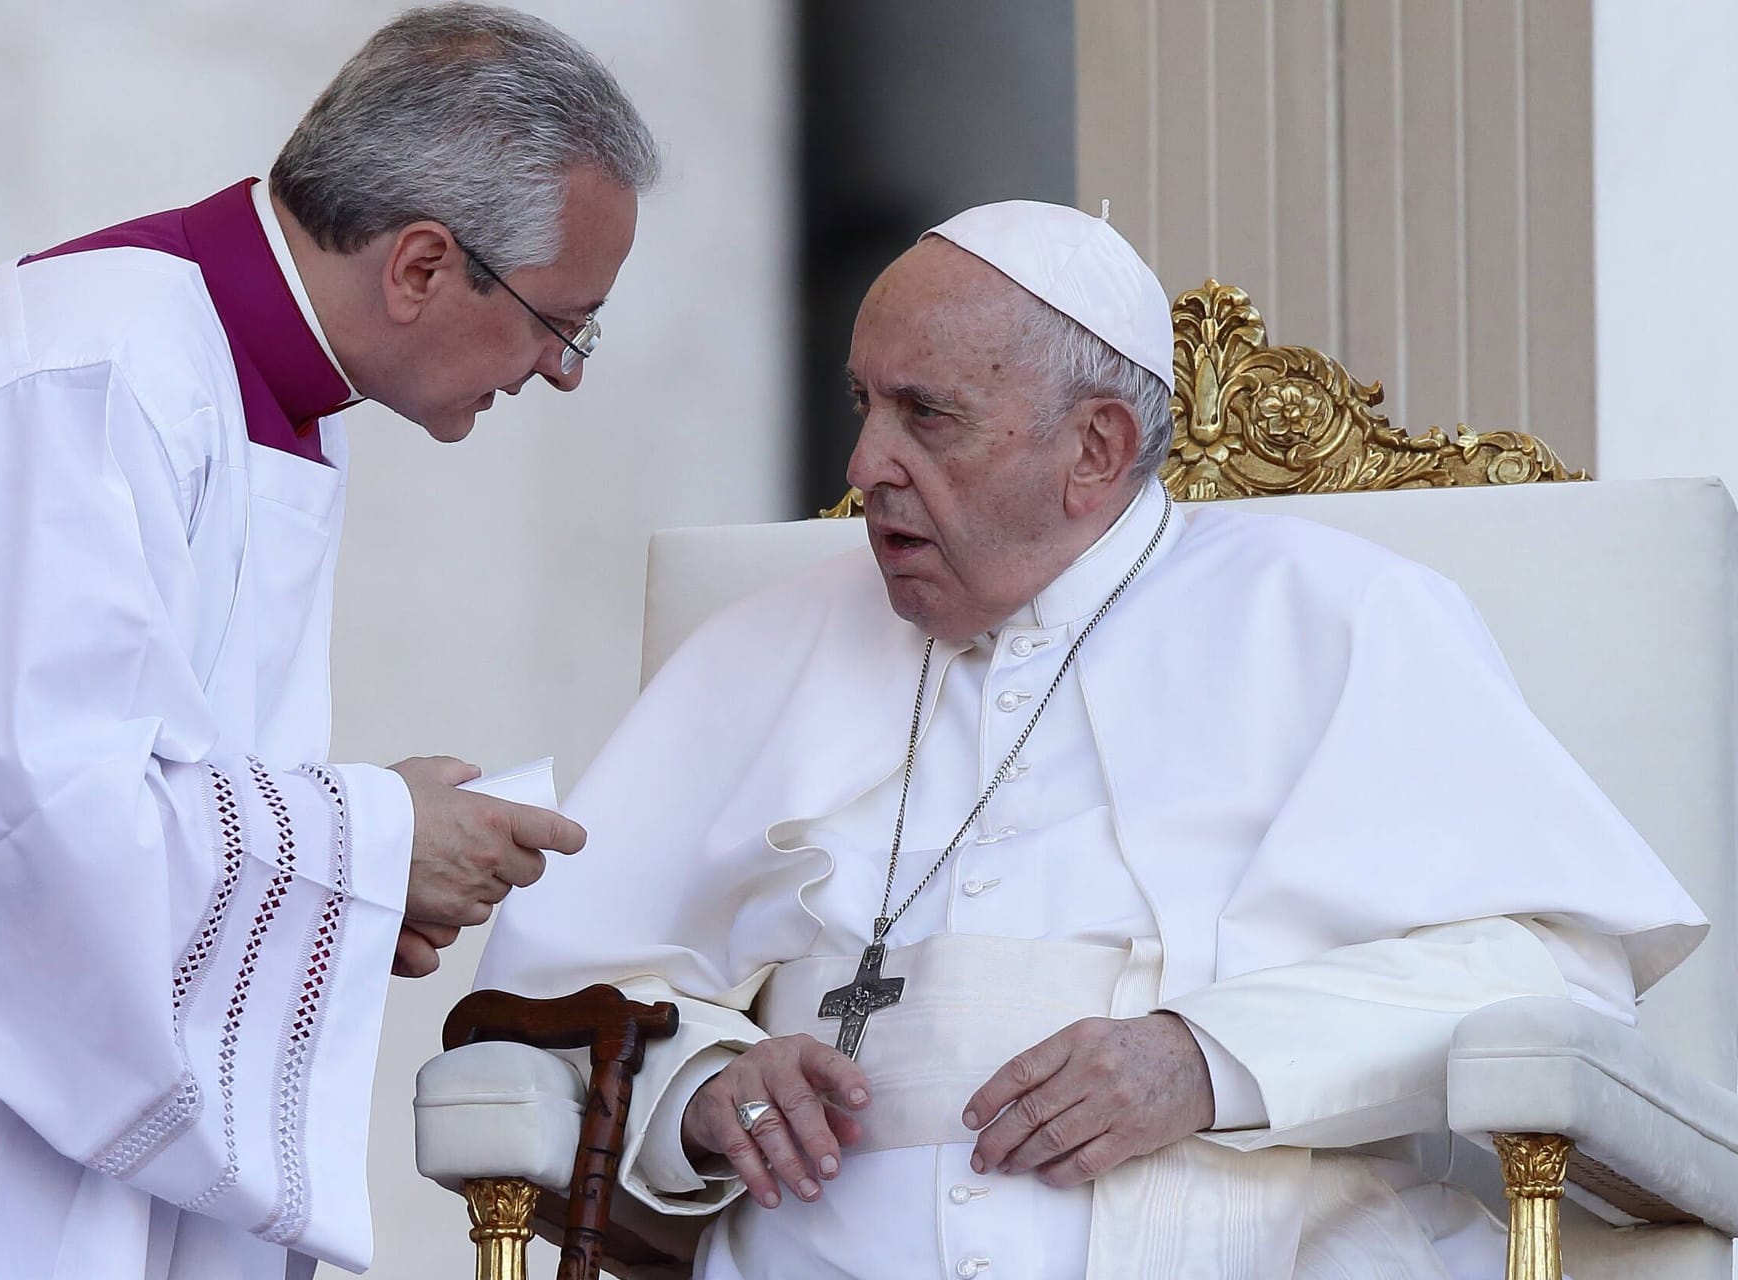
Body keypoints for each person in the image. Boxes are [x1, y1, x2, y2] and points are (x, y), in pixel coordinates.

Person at [473, 201, 1706, 1278]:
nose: (864, 465)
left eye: (927, 415)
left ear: (1097, 449)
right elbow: (552, 993)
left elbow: (1557, 970)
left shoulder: (1327, 611)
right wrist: (699, 1087)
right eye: (864, 404)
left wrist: (1208, 1061)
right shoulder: (763, 645)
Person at [0, 6, 657, 1278]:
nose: (563, 370)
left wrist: (352, 881)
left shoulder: (234, 385)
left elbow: (130, 792)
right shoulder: (81, 378)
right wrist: (370, 844)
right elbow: (30, 845)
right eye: (562, 320)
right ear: (424, 264)